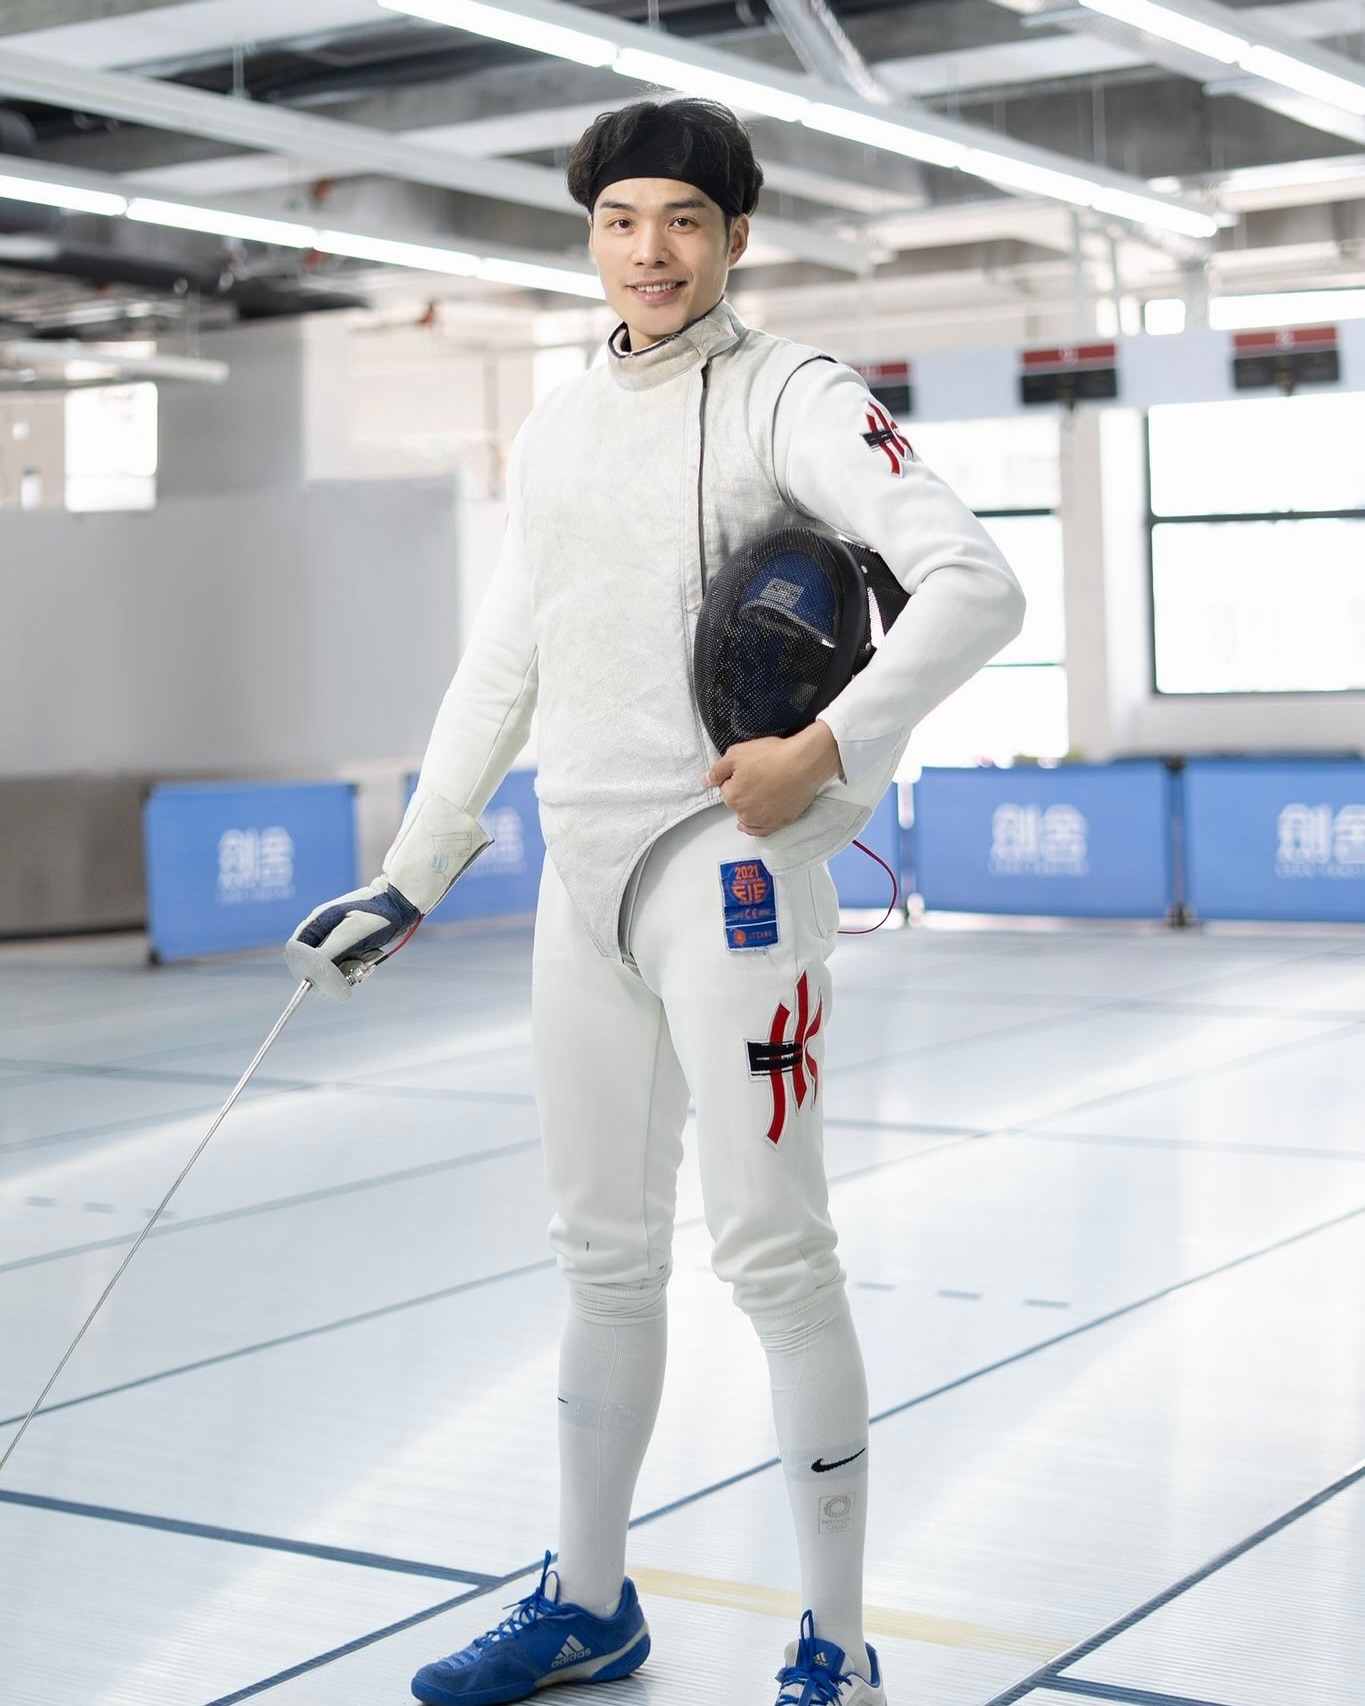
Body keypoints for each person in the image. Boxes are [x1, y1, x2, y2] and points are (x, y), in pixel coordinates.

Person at [288, 97, 1024, 1706]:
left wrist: (825, 747)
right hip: (584, 875)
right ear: (591, 233)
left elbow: (976, 582)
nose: (650, 250)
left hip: (733, 868)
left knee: (774, 1255)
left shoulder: (792, 396)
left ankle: (836, 1639)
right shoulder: (556, 427)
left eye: (684, 219)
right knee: (599, 1255)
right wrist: (411, 873)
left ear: (735, 237)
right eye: (621, 219)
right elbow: (507, 657)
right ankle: (588, 1600)